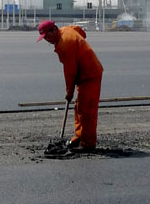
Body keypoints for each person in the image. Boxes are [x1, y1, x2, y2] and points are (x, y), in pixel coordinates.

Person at [36, 20, 104, 151]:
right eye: (45, 39)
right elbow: (80, 32)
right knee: (79, 107)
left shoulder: (65, 44)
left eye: (48, 36)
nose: (48, 40)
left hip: (90, 74)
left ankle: (88, 143)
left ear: (54, 29)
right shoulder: (66, 30)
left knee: (87, 110)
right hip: (83, 74)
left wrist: (69, 92)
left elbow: (70, 71)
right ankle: (80, 135)